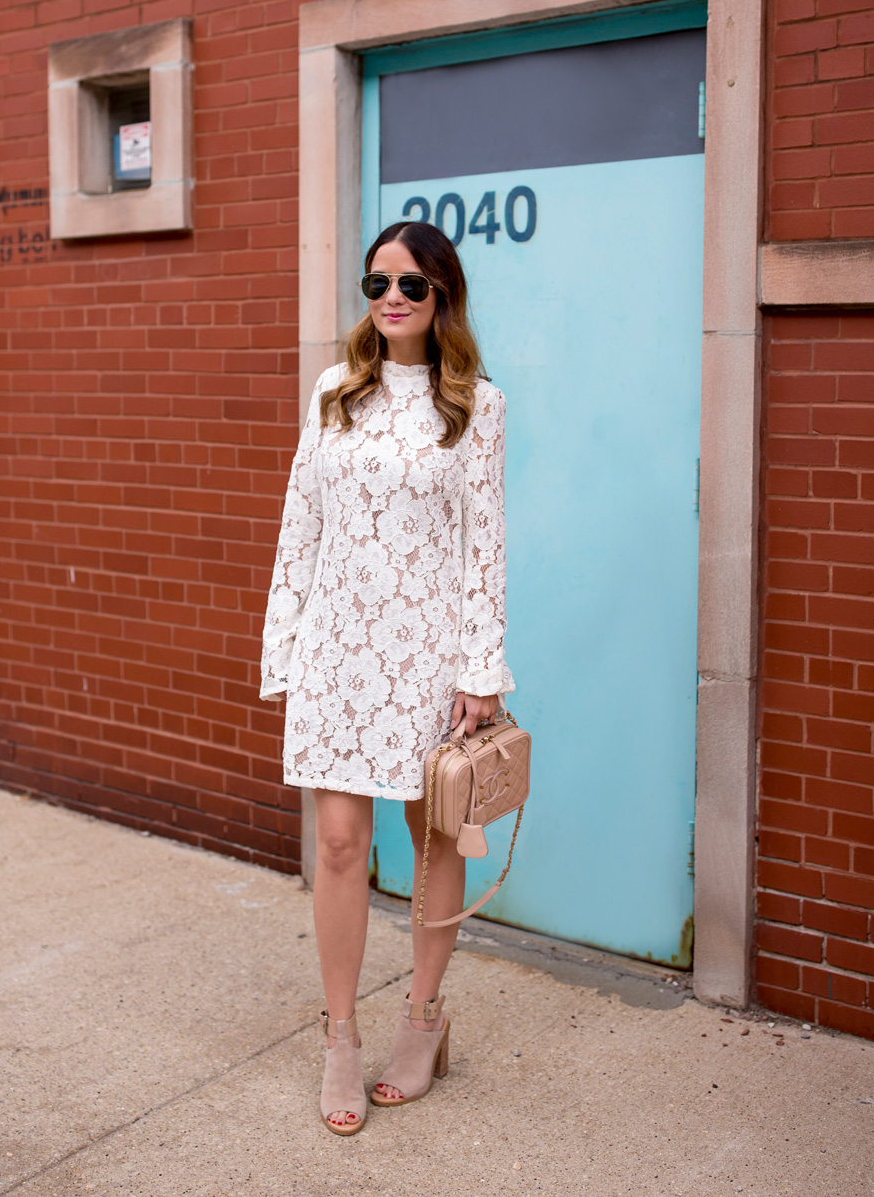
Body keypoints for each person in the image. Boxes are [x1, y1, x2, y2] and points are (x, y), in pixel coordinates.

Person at [259, 219, 514, 1134]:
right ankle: (340, 1037)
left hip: (430, 660)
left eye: (410, 285)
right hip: (338, 650)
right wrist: (284, 646)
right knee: (336, 843)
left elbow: (484, 546)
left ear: (443, 295)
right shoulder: (335, 391)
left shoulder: (475, 405)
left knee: (435, 840)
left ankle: (423, 1019)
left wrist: (481, 668)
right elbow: (302, 523)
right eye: (377, 285)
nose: (392, 300)